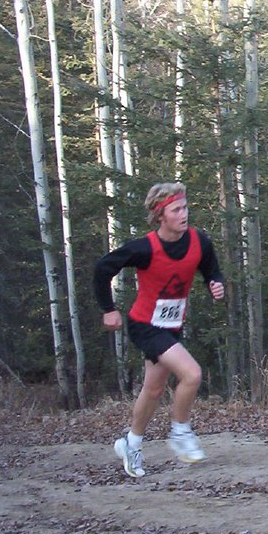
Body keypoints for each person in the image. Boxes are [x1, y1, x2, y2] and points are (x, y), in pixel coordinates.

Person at [94, 182, 225, 477]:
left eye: (185, 208)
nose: (183, 214)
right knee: (192, 374)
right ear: (160, 216)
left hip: (171, 325)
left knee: (153, 389)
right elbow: (103, 268)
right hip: (145, 325)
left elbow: (212, 270)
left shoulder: (199, 242)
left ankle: (131, 443)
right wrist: (108, 308)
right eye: (176, 210)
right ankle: (180, 432)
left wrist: (215, 284)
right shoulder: (144, 248)